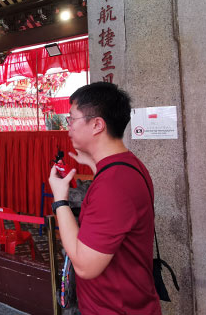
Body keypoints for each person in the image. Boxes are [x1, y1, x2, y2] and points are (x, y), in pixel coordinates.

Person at [48, 82, 161, 314]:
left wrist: (60, 200)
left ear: (97, 125)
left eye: (71, 119)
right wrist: (94, 164)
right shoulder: (128, 165)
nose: (68, 127)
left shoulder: (113, 185)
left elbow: (85, 266)